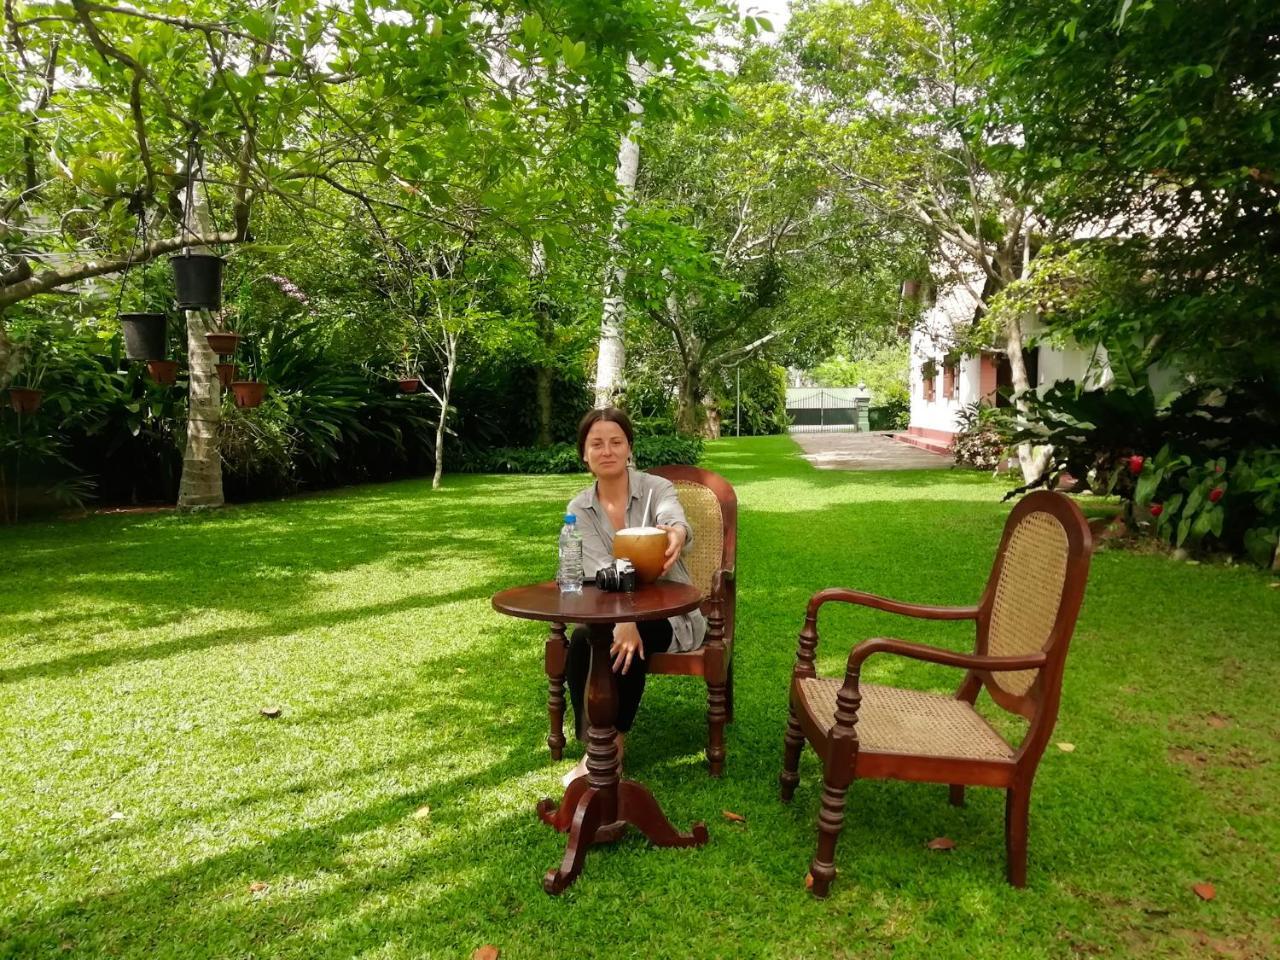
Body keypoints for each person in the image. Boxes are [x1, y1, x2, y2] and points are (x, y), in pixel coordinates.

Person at [561, 406, 706, 785]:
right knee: (582, 640)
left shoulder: (657, 489)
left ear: (629, 449)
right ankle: (597, 744)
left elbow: (675, 519)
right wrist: (624, 619)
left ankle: (611, 748)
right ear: (584, 454)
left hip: (669, 611)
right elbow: (600, 573)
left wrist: (675, 534)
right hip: (609, 612)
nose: (606, 451)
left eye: (616, 442)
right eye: (596, 444)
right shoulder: (580, 508)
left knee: (631, 639)